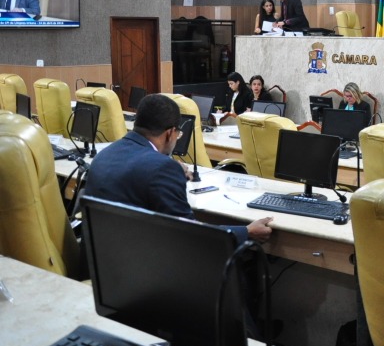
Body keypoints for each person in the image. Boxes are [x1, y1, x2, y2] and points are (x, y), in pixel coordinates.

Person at [83, 94, 273, 244]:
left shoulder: (104, 155)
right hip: (143, 271)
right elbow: (190, 236)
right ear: (170, 133)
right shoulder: (161, 168)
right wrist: (246, 231)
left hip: (101, 259)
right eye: (178, 134)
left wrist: (168, 168)